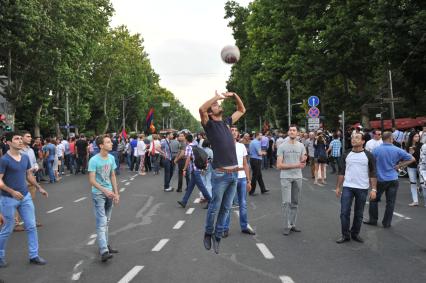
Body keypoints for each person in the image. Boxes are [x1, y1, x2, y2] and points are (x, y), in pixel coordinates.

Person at [199, 90, 245, 254]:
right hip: (220, 174)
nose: (218, 105)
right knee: (214, 207)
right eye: (216, 105)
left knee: (226, 208)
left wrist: (234, 95)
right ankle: (208, 233)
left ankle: (217, 236)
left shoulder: (226, 122)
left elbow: (241, 110)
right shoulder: (209, 125)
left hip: (233, 174)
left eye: (218, 104)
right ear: (211, 113)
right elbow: (201, 109)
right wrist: (216, 97)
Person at [0, 131, 49, 267]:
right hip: (8, 199)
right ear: (9, 142)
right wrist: (12, 191)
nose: (20, 141)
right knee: (7, 229)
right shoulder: (4, 160)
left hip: (25, 197)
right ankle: (0, 255)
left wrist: (39, 188)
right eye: (17, 139)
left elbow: (29, 176)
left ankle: (34, 255)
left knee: (31, 226)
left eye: (21, 139)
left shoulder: (25, 157)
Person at [364, 131, 415, 228]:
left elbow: (370, 165)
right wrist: (399, 165)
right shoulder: (398, 150)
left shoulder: (376, 150)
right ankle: (387, 223)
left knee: (373, 200)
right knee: (390, 202)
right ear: (391, 138)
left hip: (380, 179)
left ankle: (373, 220)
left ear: (382, 138)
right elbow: (412, 159)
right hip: (393, 179)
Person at [335, 133, 377, 244]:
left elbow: (373, 173)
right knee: (344, 212)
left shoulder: (368, 155)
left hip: (362, 188)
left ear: (363, 141)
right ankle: (345, 235)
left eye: (357, 138)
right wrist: (338, 187)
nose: (353, 139)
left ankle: (355, 233)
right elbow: (342, 172)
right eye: (352, 137)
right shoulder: (346, 154)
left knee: (359, 213)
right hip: (348, 187)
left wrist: (374, 189)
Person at [88, 135, 119, 263]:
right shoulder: (94, 160)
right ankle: (103, 251)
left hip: (110, 193)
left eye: (110, 142)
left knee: (107, 221)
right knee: (101, 222)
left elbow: (112, 175)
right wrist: (105, 190)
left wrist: (116, 193)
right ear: (101, 145)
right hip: (99, 194)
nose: (111, 143)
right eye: (108, 142)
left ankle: (105, 245)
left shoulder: (111, 158)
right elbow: (92, 180)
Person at [223, 127, 255, 237]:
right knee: (227, 204)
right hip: (229, 177)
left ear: (238, 134)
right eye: (231, 131)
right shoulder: (223, 145)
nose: (234, 132)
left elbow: (245, 164)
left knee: (243, 203)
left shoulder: (241, 146)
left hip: (241, 178)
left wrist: (248, 180)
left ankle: (244, 226)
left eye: (236, 131)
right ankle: (225, 228)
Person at [276, 125, 307, 236]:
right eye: (290, 130)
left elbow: (303, 161)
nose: (292, 132)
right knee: (286, 202)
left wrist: (304, 160)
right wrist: (296, 165)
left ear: (297, 133)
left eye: (294, 130)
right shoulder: (282, 146)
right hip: (285, 177)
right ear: (288, 132)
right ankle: (287, 225)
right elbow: (279, 165)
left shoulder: (301, 146)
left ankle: (292, 224)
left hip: (298, 177)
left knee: (295, 202)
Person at [177, 134, 212, 208]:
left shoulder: (189, 147)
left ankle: (210, 200)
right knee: (190, 187)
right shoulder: (195, 146)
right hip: (195, 170)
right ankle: (184, 201)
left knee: (201, 187)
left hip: (195, 170)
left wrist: (184, 169)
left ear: (186, 140)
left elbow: (188, 159)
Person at [405, 132, 423, 206]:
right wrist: (410, 153)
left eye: (418, 136)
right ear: (412, 137)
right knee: (413, 183)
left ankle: (420, 189)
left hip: (421, 166)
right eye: (415, 136)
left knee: (423, 183)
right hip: (411, 166)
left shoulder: (422, 145)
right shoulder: (408, 146)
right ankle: (415, 201)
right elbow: (407, 157)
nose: (417, 138)